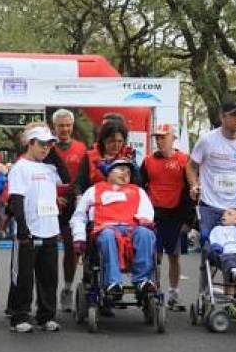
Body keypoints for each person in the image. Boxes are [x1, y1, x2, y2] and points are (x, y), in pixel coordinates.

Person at [8, 123, 68, 333]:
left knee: (49, 276)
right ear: (30, 143)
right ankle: (19, 316)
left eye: (49, 145)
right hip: (29, 231)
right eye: (41, 144)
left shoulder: (49, 167)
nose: (45, 149)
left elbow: (66, 178)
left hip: (50, 228)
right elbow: (16, 199)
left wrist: (54, 154)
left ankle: (46, 316)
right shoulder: (20, 167)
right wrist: (22, 228)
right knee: (23, 276)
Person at [70, 159, 156, 298]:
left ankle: (142, 280)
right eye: (121, 170)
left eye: (128, 172)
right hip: (105, 228)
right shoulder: (94, 190)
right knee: (108, 235)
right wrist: (79, 237)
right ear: (109, 172)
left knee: (145, 233)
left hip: (131, 229)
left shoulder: (138, 191)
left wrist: (142, 223)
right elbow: (79, 216)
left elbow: (147, 214)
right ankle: (113, 282)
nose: (125, 174)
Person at [186, 100, 236, 242]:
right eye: (233, 115)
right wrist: (194, 186)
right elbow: (191, 166)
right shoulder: (207, 140)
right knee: (210, 248)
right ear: (222, 117)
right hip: (210, 204)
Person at [141, 123, 191, 310]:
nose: (160, 140)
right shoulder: (147, 161)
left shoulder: (184, 160)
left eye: (164, 137)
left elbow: (190, 190)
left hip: (176, 215)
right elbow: (139, 187)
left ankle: (174, 294)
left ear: (173, 138)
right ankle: (155, 292)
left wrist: (189, 220)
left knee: (174, 256)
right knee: (155, 256)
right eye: (157, 137)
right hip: (155, 215)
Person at [51, 109, 87, 312]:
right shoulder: (46, 146)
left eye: (67, 125)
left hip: (72, 203)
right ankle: (45, 293)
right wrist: (52, 196)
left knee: (70, 249)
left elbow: (83, 177)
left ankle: (67, 288)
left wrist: (76, 196)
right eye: (60, 125)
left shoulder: (82, 148)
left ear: (72, 126)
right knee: (45, 250)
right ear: (53, 127)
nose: (64, 129)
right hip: (48, 201)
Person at [75, 113, 139, 195]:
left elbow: (136, 183)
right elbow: (79, 184)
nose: (116, 145)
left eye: (120, 141)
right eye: (112, 141)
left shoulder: (128, 156)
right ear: (103, 140)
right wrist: (79, 197)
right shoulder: (90, 156)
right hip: (96, 199)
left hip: (122, 201)